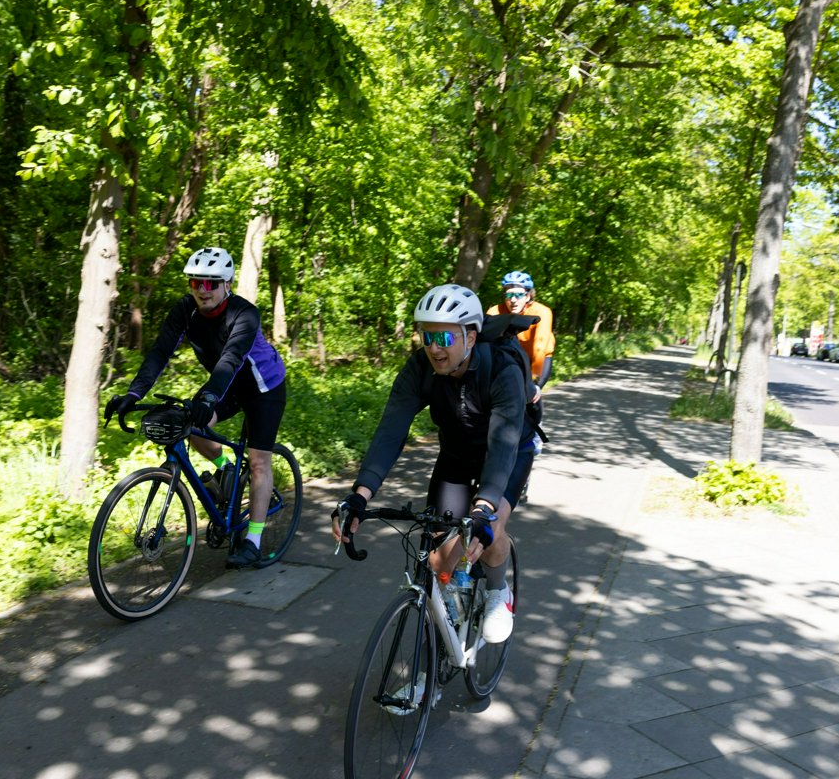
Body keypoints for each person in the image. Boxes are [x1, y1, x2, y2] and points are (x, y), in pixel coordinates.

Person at [331, 283, 535, 643]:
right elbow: (391, 430)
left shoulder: (501, 368)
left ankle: (497, 591)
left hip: (510, 452)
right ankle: (443, 647)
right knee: (439, 561)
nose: (434, 348)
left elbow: (502, 445)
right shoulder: (420, 367)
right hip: (456, 454)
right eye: (427, 337)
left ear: (470, 337)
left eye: (443, 338)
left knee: (489, 530)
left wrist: (484, 508)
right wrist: (360, 495)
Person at [104, 246, 287, 569]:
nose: (203, 290)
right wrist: (133, 394)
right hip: (225, 385)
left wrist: (208, 398)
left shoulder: (244, 314)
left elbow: (231, 358)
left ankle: (254, 541)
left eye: (211, 283)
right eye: (195, 283)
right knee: (185, 424)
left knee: (259, 462)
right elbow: (160, 353)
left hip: (263, 388)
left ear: (227, 283)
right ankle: (227, 468)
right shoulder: (185, 310)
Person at [487, 271, 555, 393]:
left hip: (538, 357)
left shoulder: (542, 312)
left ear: (528, 296)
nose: (513, 300)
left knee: (531, 395)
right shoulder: (495, 312)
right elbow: (486, 346)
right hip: (512, 357)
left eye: (519, 295)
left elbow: (540, 347)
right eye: (509, 295)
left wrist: (534, 381)